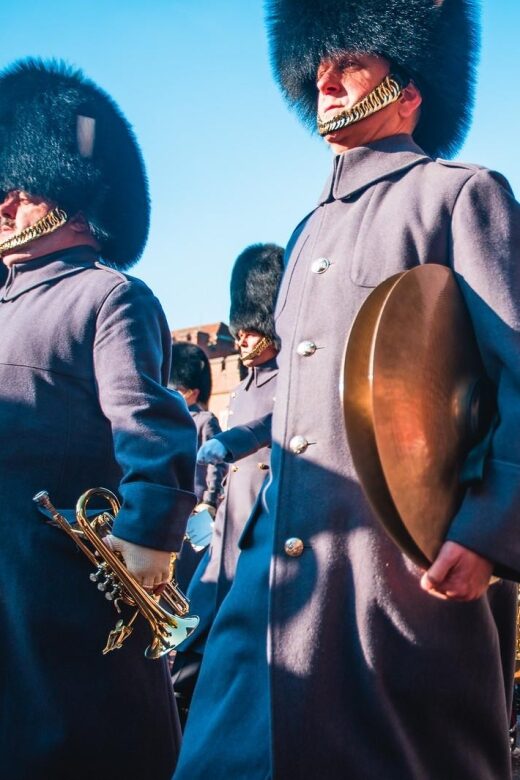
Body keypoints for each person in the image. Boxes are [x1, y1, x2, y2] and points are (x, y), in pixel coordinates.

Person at [174, 2, 520, 779]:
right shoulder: (305, 234)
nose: (322, 81)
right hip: (270, 605)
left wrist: (488, 530)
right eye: (316, 66)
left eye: (349, 62)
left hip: (396, 594)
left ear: (408, 84)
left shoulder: (458, 196)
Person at [0, 59, 197, 780]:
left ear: (70, 194)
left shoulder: (107, 297)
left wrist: (146, 538)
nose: (4, 204)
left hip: (66, 613)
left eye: (19, 191)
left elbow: (152, 425)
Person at [172, 242, 283, 726]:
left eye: (252, 325)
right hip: (223, 544)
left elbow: (274, 430)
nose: (241, 337)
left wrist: (229, 445)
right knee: (186, 647)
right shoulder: (239, 390)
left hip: (263, 538)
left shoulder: (292, 383)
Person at [168, 341, 226, 591]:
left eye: (179, 388)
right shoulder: (167, 419)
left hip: (196, 509)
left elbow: (217, 462)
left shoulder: (205, 421)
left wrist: (209, 499)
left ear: (194, 391)